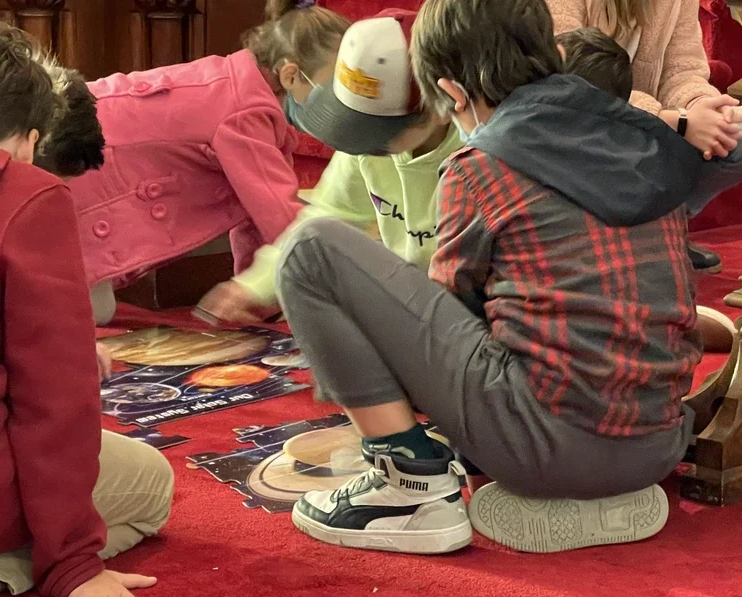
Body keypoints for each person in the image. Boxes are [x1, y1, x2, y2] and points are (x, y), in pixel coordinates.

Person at [275, 0, 705, 555]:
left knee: (310, 250)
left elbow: (449, 311)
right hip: (660, 444)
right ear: (553, 53)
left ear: (453, 94)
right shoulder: (649, 142)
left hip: (546, 450)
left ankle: (408, 489)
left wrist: (357, 345)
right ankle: (600, 488)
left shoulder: (480, 166)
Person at [0, 16, 173, 597]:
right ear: (30, 138)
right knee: (151, 484)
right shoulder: (27, 196)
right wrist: (73, 563)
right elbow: (56, 402)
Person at [64, 0, 349, 325]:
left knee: (86, 306)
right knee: (83, 312)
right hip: (85, 160)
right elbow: (287, 224)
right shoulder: (246, 112)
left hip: (80, 139)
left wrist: (256, 297)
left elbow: (255, 217)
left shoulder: (239, 87)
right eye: (330, 89)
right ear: (290, 75)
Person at [196, 9, 463, 324]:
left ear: (441, 108)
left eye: (382, 130)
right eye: (357, 122)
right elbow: (323, 218)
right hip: (412, 305)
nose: (365, 142)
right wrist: (252, 287)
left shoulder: (472, 156)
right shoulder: (364, 148)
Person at [547, 0, 742, 273]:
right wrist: (673, 120)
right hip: (580, 123)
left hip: (656, 125)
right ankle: (625, 235)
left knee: (739, 133)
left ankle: (664, 230)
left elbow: (684, 71)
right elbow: (567, 79)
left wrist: (703, 106)